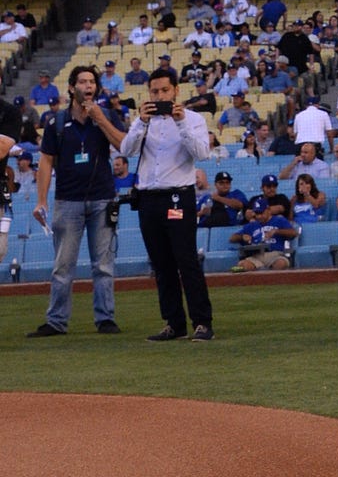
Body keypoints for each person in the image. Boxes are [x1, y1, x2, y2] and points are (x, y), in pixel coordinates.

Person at [28, 65, 127, 337]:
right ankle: (56, 321)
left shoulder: (106, 115)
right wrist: (41, 200)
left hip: (102, 198)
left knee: (103, 264)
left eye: (92, 82)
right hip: (67, 200)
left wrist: (101, 120)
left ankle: (105, 318)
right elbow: (46, 161)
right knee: (63, 266)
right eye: (82, 82)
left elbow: (123, 145)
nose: (88, 86)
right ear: (72, 88)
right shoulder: (56, 122)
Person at [118, 70, 217, 342]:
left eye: (164, 91)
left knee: (186, 260)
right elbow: (126, 150)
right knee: (161, 264)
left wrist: (181, 121)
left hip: (178, 196)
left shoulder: (193, 119)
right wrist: (140, 121)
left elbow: (202, 153)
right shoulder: (143, 121)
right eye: (154, 92)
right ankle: (174, 323)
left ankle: (202, 322)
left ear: (175, 91)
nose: (159, 96)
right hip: (149, 198)